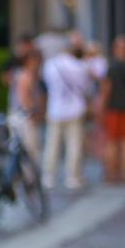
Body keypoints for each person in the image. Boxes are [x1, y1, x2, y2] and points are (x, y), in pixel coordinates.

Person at [41, 43, 90, 190]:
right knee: (73, 145)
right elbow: (85, 88)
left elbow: (46, 85)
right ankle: (72, 177)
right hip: (75, 109)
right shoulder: (79, 66)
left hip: (55, 109)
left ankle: (48, 177)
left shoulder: (50, 65)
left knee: (52, 144)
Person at [97, 35, 125, 184]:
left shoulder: (111, 68)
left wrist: (100, 108)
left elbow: (105, 90)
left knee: (112, 142)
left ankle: (112, 174)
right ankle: (124, 174)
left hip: (113, 109)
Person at [7, 49, 42, 162]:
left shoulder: (18, 74)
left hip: (16, 114)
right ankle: (29, 177)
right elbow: (24, 99)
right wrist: (32, 112)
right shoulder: (26, 76)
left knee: (17, 149)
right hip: (24, 116)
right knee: (30, 149)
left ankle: (19, 175)